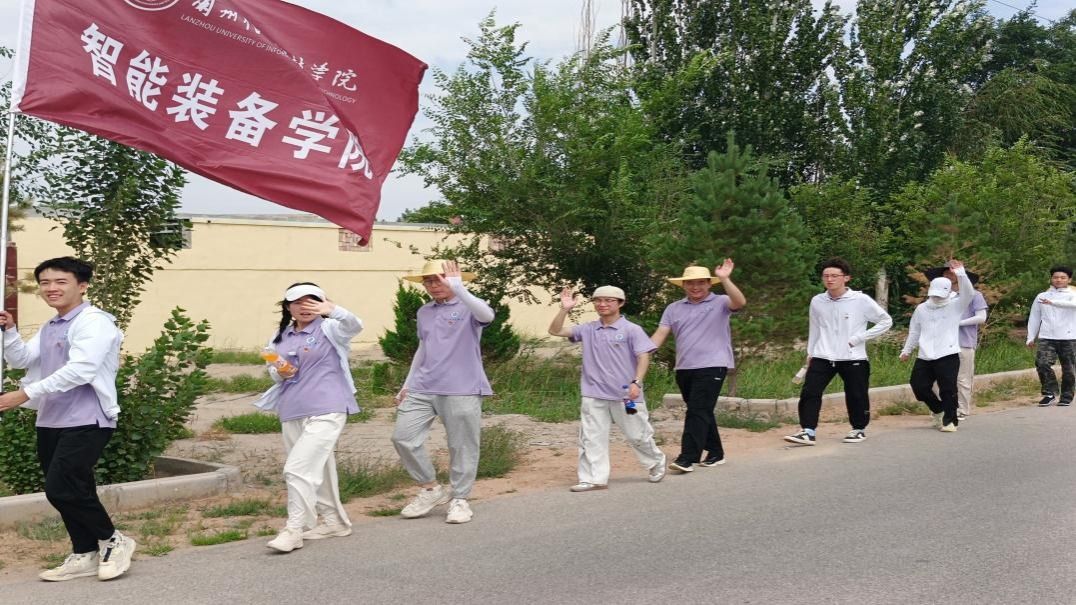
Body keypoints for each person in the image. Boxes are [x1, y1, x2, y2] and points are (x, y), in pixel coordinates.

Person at [0, 257, 134, 581]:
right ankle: (84, 552)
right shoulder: (51, 326)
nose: (51, 288)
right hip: (52, 419)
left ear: (82, 286)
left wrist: (25, 394)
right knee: (77, 487)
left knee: (60, 487)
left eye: (60, 281)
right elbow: (23, 359)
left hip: (88, 418)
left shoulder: (94, 322)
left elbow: (81, 370)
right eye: (45, 282)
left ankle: (115, 541)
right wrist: (9, 331)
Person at [253, 283, 363, 553]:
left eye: (311, 300)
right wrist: (280, 370)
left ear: (321, 303)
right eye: (297, 301)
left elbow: (355, 325)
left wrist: (333, 310)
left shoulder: (330, 328)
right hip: (292, 408)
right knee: (319, 467)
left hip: (328, 407)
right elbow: (276, 372)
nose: (305, 306)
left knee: (297, 469)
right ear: (288, 307)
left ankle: (294, 529)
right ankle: (333, 521)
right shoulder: (279, 337)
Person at [391, 260, 493, 524]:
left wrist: (460, 290)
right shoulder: (425, 311)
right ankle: (430, 488)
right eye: (428, 281)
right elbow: (424, 348)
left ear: (454, 280)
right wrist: (407, 383)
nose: (433, 286)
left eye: (439, 280)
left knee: (462, 446)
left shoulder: (469, 305)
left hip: (462, 387)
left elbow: (487, 316)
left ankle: (460, 498)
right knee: (403, 437)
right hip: (423, 386)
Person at [549, 286, 666, 491]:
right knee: (591, 437)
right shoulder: (588, 329)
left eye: (609, 300)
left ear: (620, 303)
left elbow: (643, 356)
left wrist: (636, 382)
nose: (602, 304)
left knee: (637, 434)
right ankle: (593, 478)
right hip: (594, 394)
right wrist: (564, 309)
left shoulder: (631, 330)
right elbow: (555, 331)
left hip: (626, 395)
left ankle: (656, 463)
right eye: (598, 300)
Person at [784, 258, 892, 446]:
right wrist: (811, 352)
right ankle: (808, 431)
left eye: (834, 276)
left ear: (846, 278)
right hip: (823, 355)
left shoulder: (861, 300)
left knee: (856, 394)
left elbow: (886, 321)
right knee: (810, 391)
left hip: (853, 357)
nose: (830, 279)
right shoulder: (817, 301)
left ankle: (858, 429)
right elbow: (815, 328)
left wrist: (859, 338)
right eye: (826, 276)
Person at [651, 261, 746, 473]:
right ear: (683, 285)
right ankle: (715, 452)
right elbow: (660, 334)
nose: (696, 287)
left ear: (708, 284)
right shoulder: (673, 308)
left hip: (713, 364)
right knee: (701, 410)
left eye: (701, 283)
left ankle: (688, 457)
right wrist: (643, 352)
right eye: (690, 283)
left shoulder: (721, 302)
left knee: (697, 410)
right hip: (684, 368)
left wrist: (725, 278)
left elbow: (739, 302)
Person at [900, 260, 976, 432]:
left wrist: (961, 273)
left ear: (948, 292)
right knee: (918, 385)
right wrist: (906, 350)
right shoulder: (921, 309)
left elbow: (969, 293)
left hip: (948, 354)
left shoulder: (956, 305)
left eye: (940, 295)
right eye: (934, 294)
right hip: (925, 355)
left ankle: (950, 421)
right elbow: (914, 331)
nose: (937, 298)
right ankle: (937, 409)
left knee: (948, 389)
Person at [925, 265, 988, 420]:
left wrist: (958, 323)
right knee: (937, 378)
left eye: (953, 273)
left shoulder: (974, 295)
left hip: (963, 341)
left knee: (963, 378)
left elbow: (981, 317)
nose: (950, 275)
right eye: (946, 273)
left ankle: (961, 409)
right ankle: (939, 408)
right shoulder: (935, 297)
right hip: (939, 344)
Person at [1026, 265, 1076, 407]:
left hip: (1069, 337)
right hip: (1047, 337)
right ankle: (1049, 393)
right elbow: (1035, 317)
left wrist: (1053, 303)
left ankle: (1067, 396)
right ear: (1051, 278)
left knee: (1069, 368)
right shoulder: (1042, 296)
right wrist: (1030, 336)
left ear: (1069, 279)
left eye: (1062, 277)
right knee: (1042, 364)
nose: (1059, 280)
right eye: (1055, 277)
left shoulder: (1073, 295)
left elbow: (1073, 305)